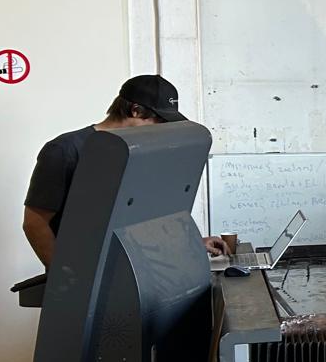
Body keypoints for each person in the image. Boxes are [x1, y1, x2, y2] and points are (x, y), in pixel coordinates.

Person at [23, 74, 227, 267]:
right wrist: (63, 277)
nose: (162, 129)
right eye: (159, 121)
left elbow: (141, 221)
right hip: (84, 274)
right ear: (135, 110)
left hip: (133, 274)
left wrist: (192, 243)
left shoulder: (142, 153)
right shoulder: (65, 150)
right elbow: (35, 222)